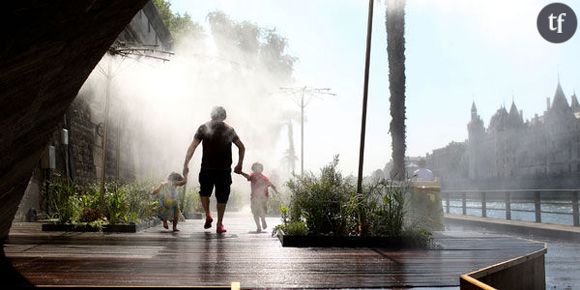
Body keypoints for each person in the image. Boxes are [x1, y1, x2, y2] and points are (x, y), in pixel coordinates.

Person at [183, 106, 245, 234]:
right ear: (224, 116)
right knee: (222, 197)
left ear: (212, 115)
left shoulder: (203, 127)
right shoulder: (229, 129)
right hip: (223, 170)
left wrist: (186, 164)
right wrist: (239, 165)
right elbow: (241, 147)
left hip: (208, 168)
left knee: (204, 192)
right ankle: (219, 224)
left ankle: (208, 215)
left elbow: (193, 146)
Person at [239, 162, 278, 233]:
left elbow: (270, 184)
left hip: (263, 197)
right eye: (256, 167)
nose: (257, 169)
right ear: (253, 169)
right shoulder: (253, 176)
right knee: (255, 212)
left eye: (259, 167)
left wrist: (275, 190)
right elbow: (248, 176)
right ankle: (259, 226)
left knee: (260, 211)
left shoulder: (264, 178)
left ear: (261, 169)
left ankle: (262, 220)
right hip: (255, 197)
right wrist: (241, 173)